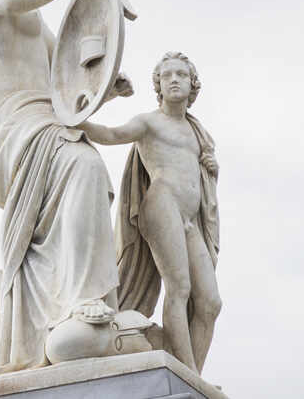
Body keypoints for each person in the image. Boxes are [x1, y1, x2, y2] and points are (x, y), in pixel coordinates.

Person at [0, 0, 131, 373]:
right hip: (11, 123)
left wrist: (102, 82)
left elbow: (62, 69)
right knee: (82, 165)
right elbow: (6, 1)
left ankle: (69, 304)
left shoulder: (37, 16)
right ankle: (84, 299)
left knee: (85, 170)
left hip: (45, 115)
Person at [75, 52, 221, 373]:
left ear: (192, 84)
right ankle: (187, 373)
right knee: (179, 288)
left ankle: (191, 373)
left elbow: (202, 182)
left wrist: (212, 171)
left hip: (189, 218)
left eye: (181, 74)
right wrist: (77, 118)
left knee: (210, 303)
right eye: (166, 75)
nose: (173, 79)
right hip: (162, 203)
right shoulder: (148, 122)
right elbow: (112, 135)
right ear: (158, 85)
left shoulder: (198, 133)